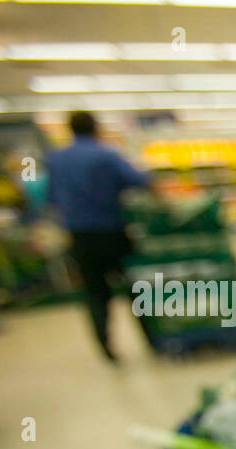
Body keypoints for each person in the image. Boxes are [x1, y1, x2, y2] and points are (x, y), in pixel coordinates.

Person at [46, 111, 152, 361]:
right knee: (135, 287)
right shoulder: (106, 154)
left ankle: (106, 346)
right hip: (111, 232)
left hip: (79, 236)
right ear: (96, 128)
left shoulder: (56, 159)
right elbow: (137, 180)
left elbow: (50, 198)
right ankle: (151, 339)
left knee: (95, 293)